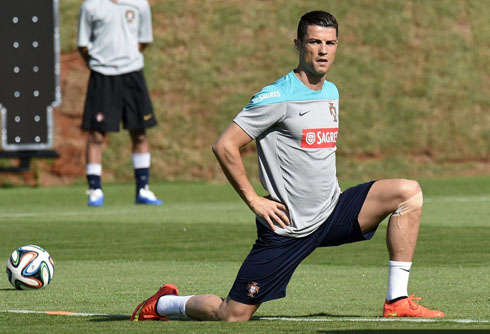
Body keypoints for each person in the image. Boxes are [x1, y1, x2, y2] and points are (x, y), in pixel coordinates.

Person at [131, 11, 444, 322]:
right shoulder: (275, 96)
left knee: (408, 192)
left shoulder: (331, 91)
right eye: (314, 42)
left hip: (332, 211)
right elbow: (225, 145)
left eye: (330, 43)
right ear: (298, 44)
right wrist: (254, 199)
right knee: (232, 315)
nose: (323, 50)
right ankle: (163, 305)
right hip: (289, 227)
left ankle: (397, 300)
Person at [77, 0, 162, 206]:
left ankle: (143, 189)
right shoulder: (91, 6)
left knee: (140, 132)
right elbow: (83, 45)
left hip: (132, 75)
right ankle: (95, 190)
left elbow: (144, 41)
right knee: (97, 134)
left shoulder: (139, 5)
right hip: (102, 75)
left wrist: (125, 58)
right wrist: (103, 61)